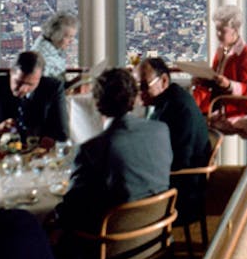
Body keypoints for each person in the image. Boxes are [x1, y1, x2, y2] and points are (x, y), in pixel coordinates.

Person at [56, 68, 173, 241]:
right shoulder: (161, 130)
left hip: (111, 246)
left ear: (96, 103)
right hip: (155, 236)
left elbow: (71, 208)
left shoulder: (93, 148)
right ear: (135, 98)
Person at [138, 57, 211, 218]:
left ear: (164, 81)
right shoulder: (168, 102)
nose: (140, 92)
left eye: (144, 86)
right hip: (175, 183)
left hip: (183, 194)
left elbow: (179, 162)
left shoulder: (178, 109)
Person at [0, 51, 68, 152]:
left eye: (30, 85)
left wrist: (50, 139)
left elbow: (62, 133)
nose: (22, 89)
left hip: (37, 156)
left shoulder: (53, 89)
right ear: (10, 72)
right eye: (18, 82)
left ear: (40, 78)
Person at [192, 4, 247, 122]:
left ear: (235, 30)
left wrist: (229, 85)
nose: (218, 35)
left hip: (231, 107)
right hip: (217, 101)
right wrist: (204, 80)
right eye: (217, 31)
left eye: (222, 31)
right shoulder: (222, 50)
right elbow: (215, 76)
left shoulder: (246, 55)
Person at [31, 11, 78, 82]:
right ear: (57, 35)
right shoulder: (45, 57)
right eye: (69, 37)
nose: (71, 41)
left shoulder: (50, 46)